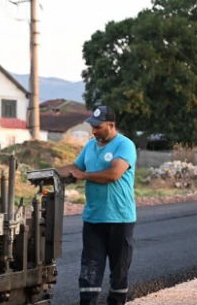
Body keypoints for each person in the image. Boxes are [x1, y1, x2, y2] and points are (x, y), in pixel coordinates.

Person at [56, 105, 137, 305]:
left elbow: (114, 174)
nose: (93, 131)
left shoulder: (124, 145)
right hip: (93, 219)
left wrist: (83, 176)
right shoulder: (90, 146)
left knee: (119, 272)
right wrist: (50, 173)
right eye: (92, 126)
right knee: (89, 271)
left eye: (98, 127)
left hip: (120, 218)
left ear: (111, 125)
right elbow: (75, 167)